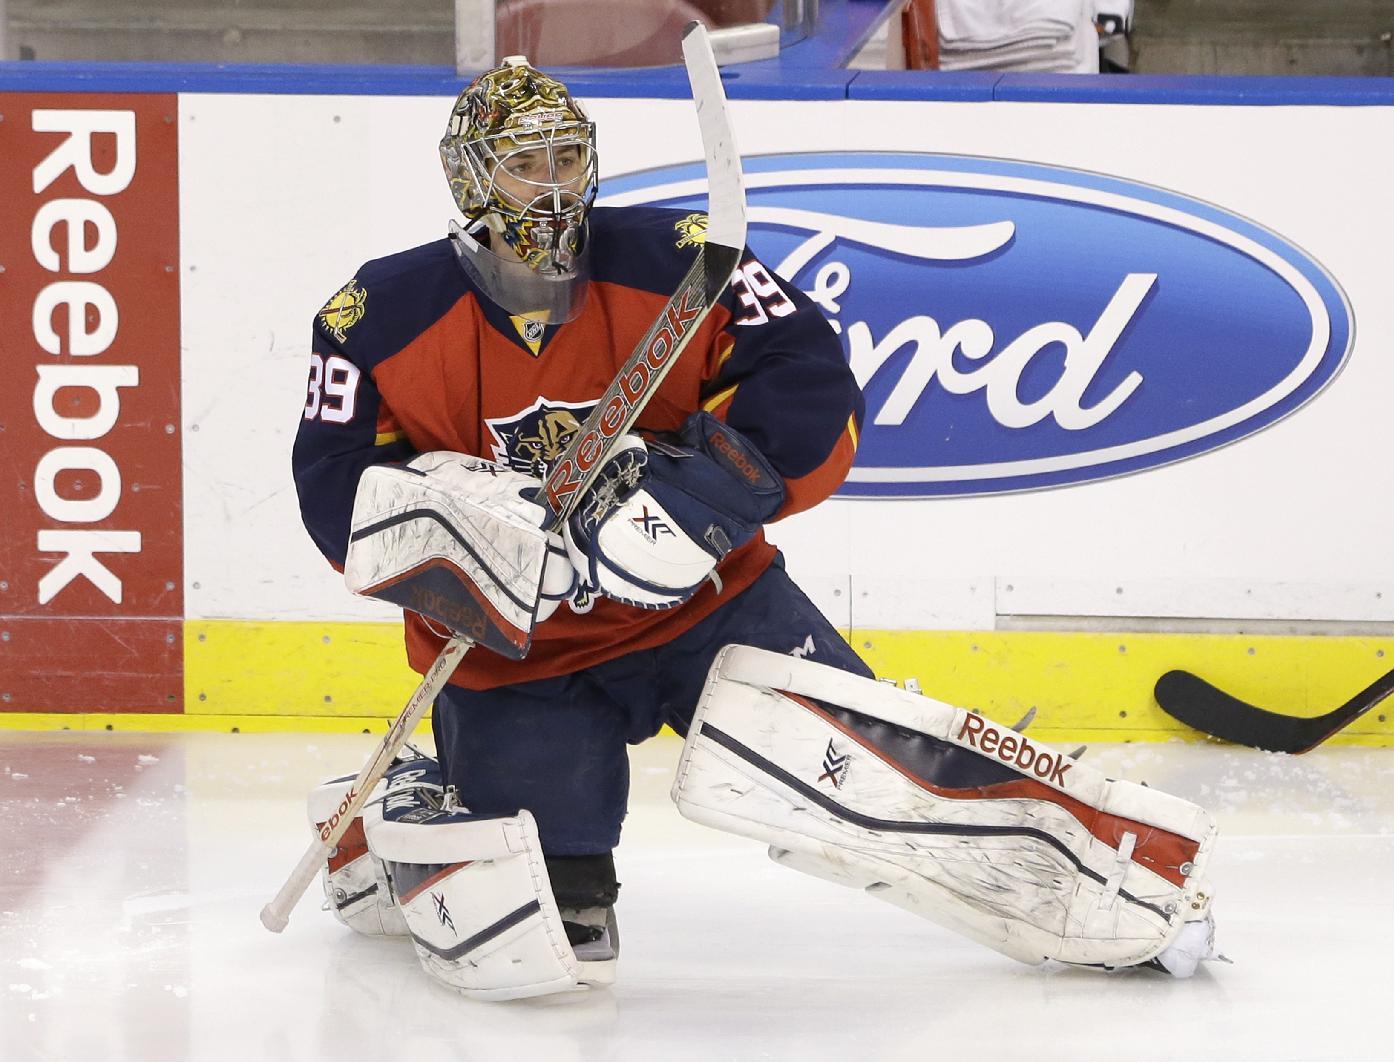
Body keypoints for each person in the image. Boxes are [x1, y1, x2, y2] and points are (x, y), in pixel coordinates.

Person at [292, 56, 1220, 1002]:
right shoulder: (376, 316)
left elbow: (808, 382)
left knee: (884, 781)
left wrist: (704, 492)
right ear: (469, 176)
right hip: (521, 654)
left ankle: (1109, 888)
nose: (557, 181)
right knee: (536, 933)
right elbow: (334, 486)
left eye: (571, 155)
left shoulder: (683, 260)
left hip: (712, 605)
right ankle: (396, 817)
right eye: (527, 163)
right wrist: (470, 528)